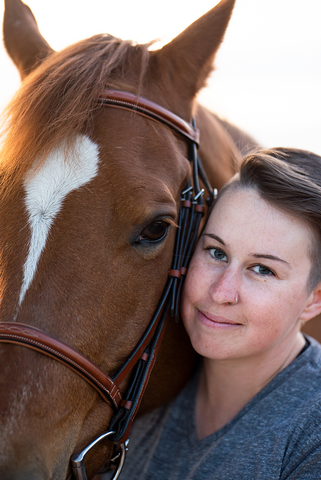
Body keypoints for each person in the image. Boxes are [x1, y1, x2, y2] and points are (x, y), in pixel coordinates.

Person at [119, 147, 321, 479]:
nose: (221, 292)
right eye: (216, 252)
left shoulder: (311, 438)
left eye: (262, 270)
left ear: (314, 299)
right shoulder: (140, 385)